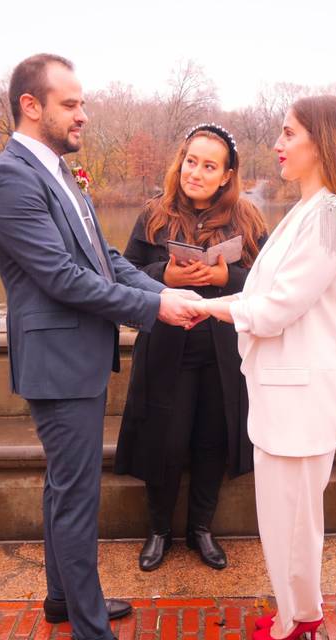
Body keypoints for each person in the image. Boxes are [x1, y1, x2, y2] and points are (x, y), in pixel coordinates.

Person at [0, 53, 206, 640]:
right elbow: (61, 278)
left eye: (83, 104)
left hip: (75, 359)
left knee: (64, 487)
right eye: (71, 104)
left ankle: (65, 600)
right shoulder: (9, 179)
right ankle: (89, 626)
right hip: (57, 364)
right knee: (78, 495)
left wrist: (166, 295)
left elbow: (104, 262)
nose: (84, 115)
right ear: (32, 105)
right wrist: (156, 308)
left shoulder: (58, 173)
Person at [196, 95, 336, 640]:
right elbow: (268, 293)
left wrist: (206, 307)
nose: (277, 144)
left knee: (293, 521)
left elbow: (277, 308)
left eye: (288, 134)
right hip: (287, 395)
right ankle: (297, 609)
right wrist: (218, 303)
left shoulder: (328, 216)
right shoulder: (312, 208)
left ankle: (297, 620)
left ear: (321, 143)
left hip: (299, 401)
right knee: (287, 519)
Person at [115, 123, 268, 572]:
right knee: (165, 440)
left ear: (225, 175)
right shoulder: (154, 214)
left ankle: (201, 529)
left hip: (222, 354)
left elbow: (268, 284)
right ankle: (159, 531)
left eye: (208, 166)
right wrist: (165, 274)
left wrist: (225, 278)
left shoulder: (248, 218)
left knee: (211, 442)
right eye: (190, 161)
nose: (195, 172)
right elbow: (123, 271)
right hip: (166, 349)